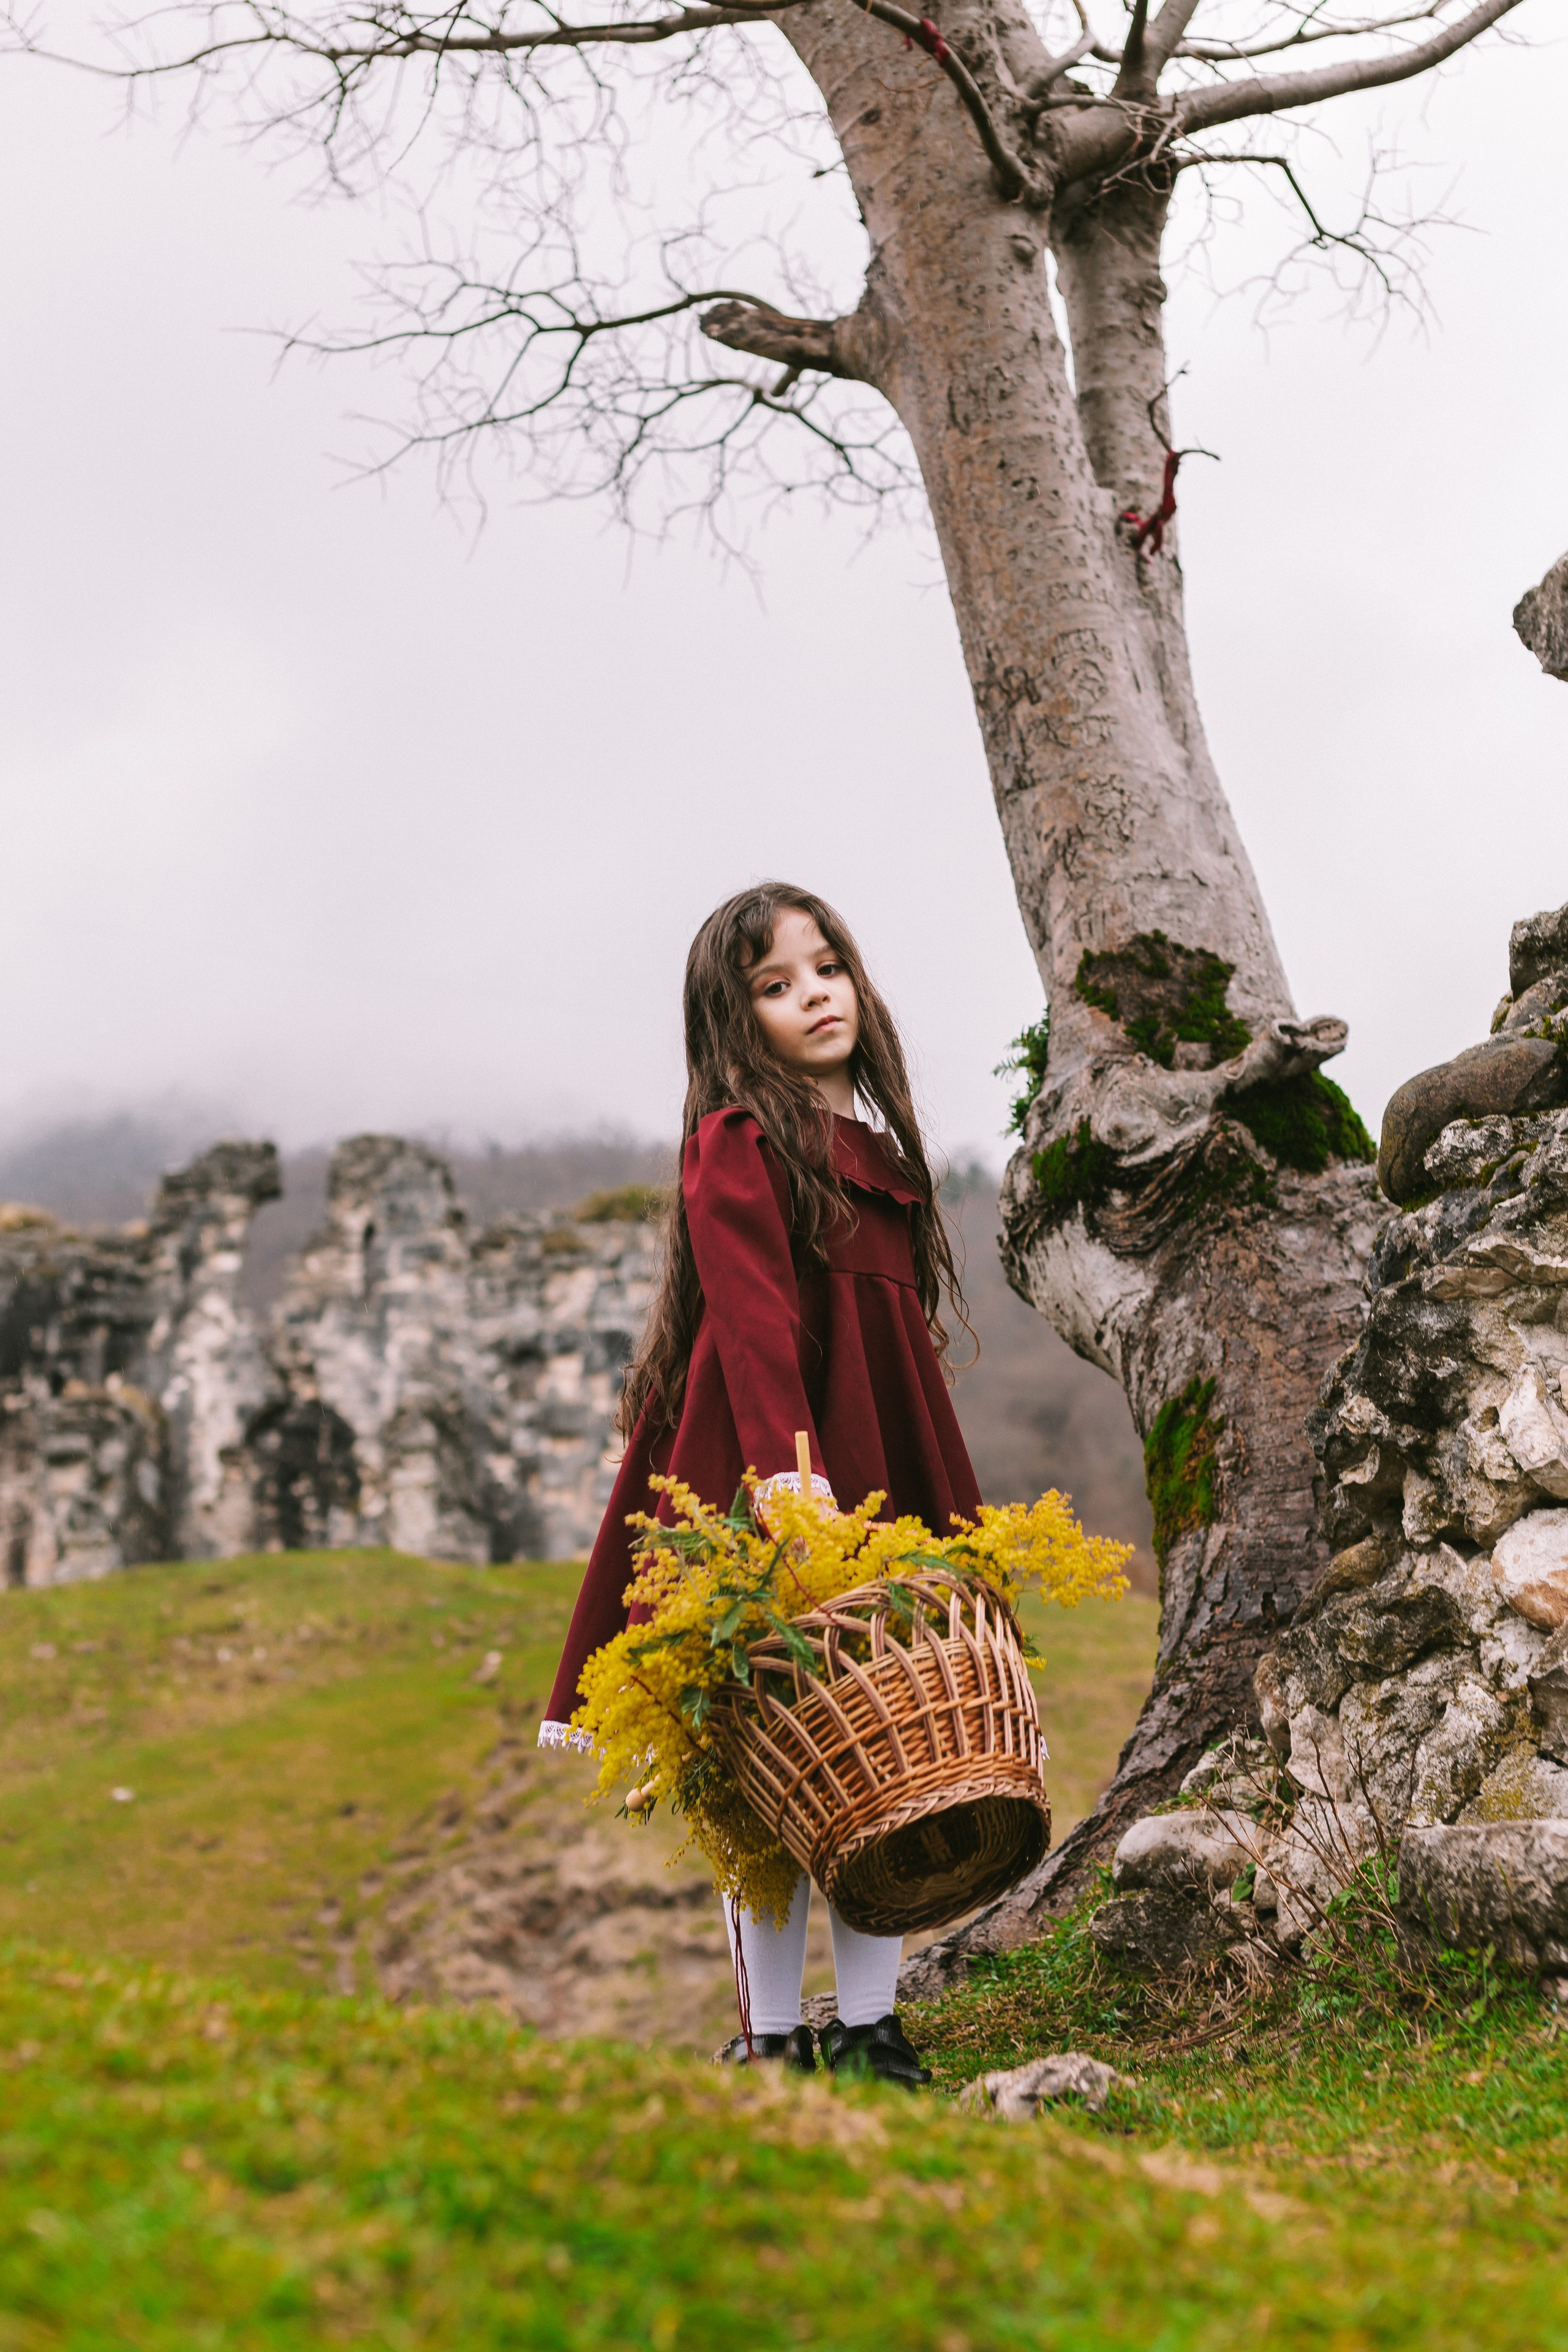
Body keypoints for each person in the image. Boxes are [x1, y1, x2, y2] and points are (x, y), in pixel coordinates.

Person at [539, 881, 982, 2087]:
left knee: (883, 1748)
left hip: (880, 1460)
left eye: (824, 967)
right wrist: (794, 1485)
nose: (812, 997)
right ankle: (772, 2035)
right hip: (765, 1463)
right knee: (768, 1769)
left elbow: (890, 1340)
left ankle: (870, 2027)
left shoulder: (884, 1151)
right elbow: (748, 1321)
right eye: (775, 987)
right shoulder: (739, 1140)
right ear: (739, 1024)